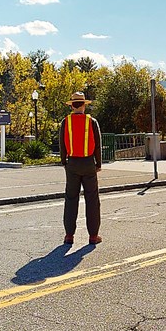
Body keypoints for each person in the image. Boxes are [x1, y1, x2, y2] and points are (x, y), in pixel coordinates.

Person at [59, 91, 103, 245]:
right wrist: (98, 163)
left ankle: (69, 235)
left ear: (72, 106)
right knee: (92, 199)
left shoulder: (66, 122)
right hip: (88, 163)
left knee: (71, 199)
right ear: (84, 105)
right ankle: (93, 236)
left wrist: (64, 162)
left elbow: (62, 144)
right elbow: (97, 144)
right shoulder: (92, 122)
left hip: (72, 164)